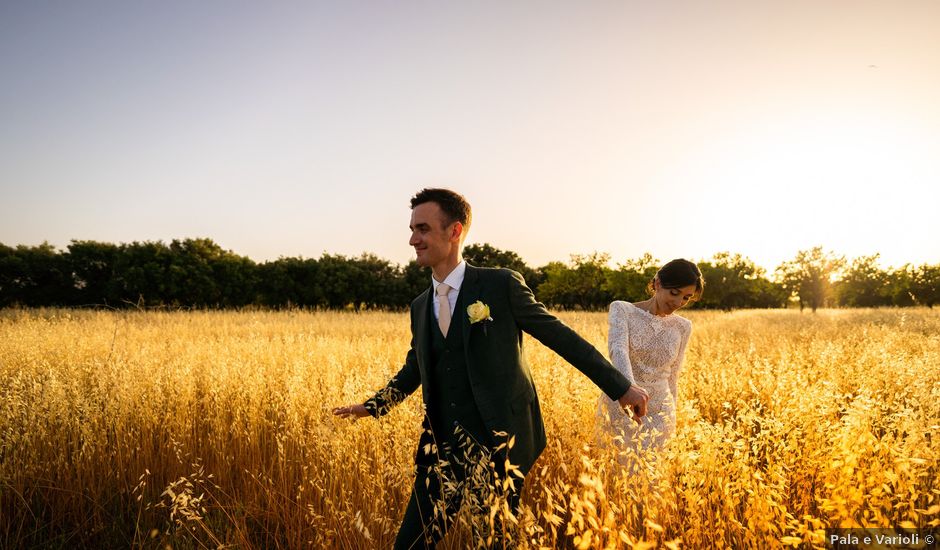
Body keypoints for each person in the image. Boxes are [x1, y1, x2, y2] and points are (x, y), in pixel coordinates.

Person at [333, 188, 649, 549]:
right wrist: (373, 406)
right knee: (409, 544)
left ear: (454, 231)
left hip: (500, 442)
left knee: (493, 543)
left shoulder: (499, 284)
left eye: (422, 229)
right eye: (411, 229)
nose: (412, 239)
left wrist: (621, 387)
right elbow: (415, 369)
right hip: (440, 448)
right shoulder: (419, 305)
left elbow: (560, 337)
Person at [596, 259, 703, 452]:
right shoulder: (622, 310)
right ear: (658, 283)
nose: (678, 302)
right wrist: (629, 391)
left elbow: (673, 374)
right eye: (674, 292)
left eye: (686, 298)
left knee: (653, 476)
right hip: (623, 403)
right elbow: (618, 350)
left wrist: (673, 413)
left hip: (661, 413)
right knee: (619, 472)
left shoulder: (683, 326)